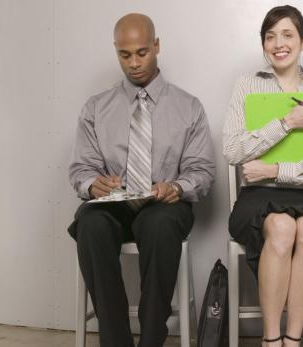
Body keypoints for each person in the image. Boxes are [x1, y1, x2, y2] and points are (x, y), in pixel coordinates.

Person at [68, 13, 215, 347]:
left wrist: (176, 187)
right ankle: (116, 340)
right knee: (88, 222)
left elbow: (202, 170)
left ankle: (151, 338)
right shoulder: (96, 108)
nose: (134, 63)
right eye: (125, 55)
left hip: (164, 206)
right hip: (115, 206)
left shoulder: (188, 107)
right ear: (116, 51)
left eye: (142, 52)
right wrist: (93, 184)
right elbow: (81, 168)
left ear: (157, 46)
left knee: (159, 224)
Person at [223, 5, 303, 346]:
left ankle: (294, 339)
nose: (278, 43)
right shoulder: (247, 86)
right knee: (281, 226)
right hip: (257, 198)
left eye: (287, 35)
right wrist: (285, 123)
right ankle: (271, 339)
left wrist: (276, 170)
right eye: (270, 36)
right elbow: (232, 152)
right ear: (263, 43)